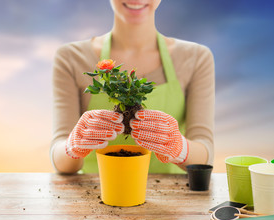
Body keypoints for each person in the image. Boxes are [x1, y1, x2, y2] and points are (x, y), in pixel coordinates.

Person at [50, 0, 215, 174]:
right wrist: (72, 146)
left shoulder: (196, 57)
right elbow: (61, 163)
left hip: (175, 195)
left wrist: (180, 147)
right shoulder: (70, 57)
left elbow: (205, 155)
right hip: (97, 191)